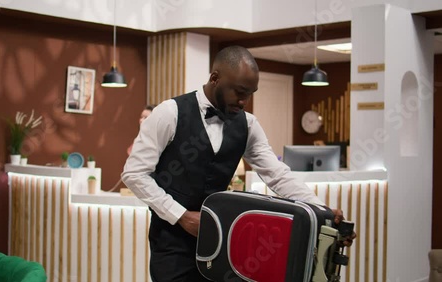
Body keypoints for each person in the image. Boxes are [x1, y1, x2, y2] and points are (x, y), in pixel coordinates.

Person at [122, 46, 355, 282]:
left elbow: (277, 175)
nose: (244, 101)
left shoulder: (249, 125)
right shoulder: (169, 113)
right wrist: (182, 216)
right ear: (215, 78)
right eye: (240, 92)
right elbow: (134, 174)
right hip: (171, 244)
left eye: (250, 93)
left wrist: (322, 211)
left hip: (224, 242)